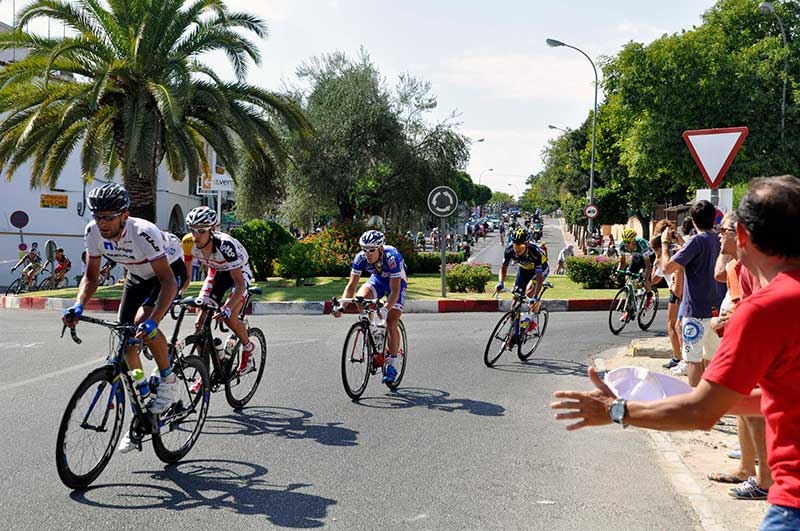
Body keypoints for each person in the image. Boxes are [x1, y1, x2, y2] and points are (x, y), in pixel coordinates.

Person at [551, 175, 800, 530]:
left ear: (742, 236)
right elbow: (780, 397)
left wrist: (617, 410)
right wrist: (671, 395)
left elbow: (701, 414)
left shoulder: (762, 311)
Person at [62, 183, 181, 453]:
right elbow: (91, 277)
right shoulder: (92, 232)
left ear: (124, 215)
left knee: (143, 325)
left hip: (168, 274)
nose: (102, 223)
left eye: (108, 217)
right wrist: (78, 305)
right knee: (127, 344)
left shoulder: (143, 232)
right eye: (97, 216)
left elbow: (168, 282)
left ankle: (168, 380)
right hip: (137, 277)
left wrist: (154, 321)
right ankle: (142, 396)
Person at [660, 200, 726, 387]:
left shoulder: (696, 241)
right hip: (717, 311)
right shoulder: (720, 239)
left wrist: (665, 243)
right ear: (714, 217)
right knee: (712, 361)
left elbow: (667, 267)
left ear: (693, 221)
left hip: (695, 312)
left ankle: (697, 410)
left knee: (694, 361)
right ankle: (712, 406)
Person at [185, 206, 256, 376]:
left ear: (213, 230)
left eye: (201, 231)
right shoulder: (188, 243)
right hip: (216, 272)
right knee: (199, 324)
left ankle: (248, 347)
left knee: (229, 317)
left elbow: (239, 283)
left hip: (238, 274)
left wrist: (227, 307)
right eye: (192, 230)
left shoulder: (226, 246)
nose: (196, 236)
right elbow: (186, 278)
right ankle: (207, 371)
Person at [333, 230, 408, 384]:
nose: (367, 253)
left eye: (371, 250)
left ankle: (393, 364)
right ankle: (372, 329)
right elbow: (351, 285)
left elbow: (394, 290)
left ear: (380, 248)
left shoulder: (391, 257)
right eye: (364, 249)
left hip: (396, 283)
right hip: (378, 280)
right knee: (360, 298)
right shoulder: (361, 258)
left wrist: (386, 308)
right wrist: (341, 306)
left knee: (391, 321)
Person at [496, 227, 549, 311]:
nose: (517, 248)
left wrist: (535, 297)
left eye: (521, 245)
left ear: (527, 244)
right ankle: (514, 320)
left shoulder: (535, 253)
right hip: (523, 268)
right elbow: (503, 268)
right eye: (515, 245)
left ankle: (534, 318)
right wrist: (500, 282)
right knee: (516, 295)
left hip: (540, 268)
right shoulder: (509, 250)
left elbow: (539, 278)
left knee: (529, 293)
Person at [617, 228, 656, 320]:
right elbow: (622, 263)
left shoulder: (642, 245)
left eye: (628, 243)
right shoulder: (622, 246)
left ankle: (649, 297)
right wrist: (616, 273)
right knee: (628, 278)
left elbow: (648, 266)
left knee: (645, 279)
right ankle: (629, 310)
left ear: (633, 242)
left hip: (648, 259)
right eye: (625, 242)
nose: (626, 245)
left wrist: (645, 278)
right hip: (636, 258)